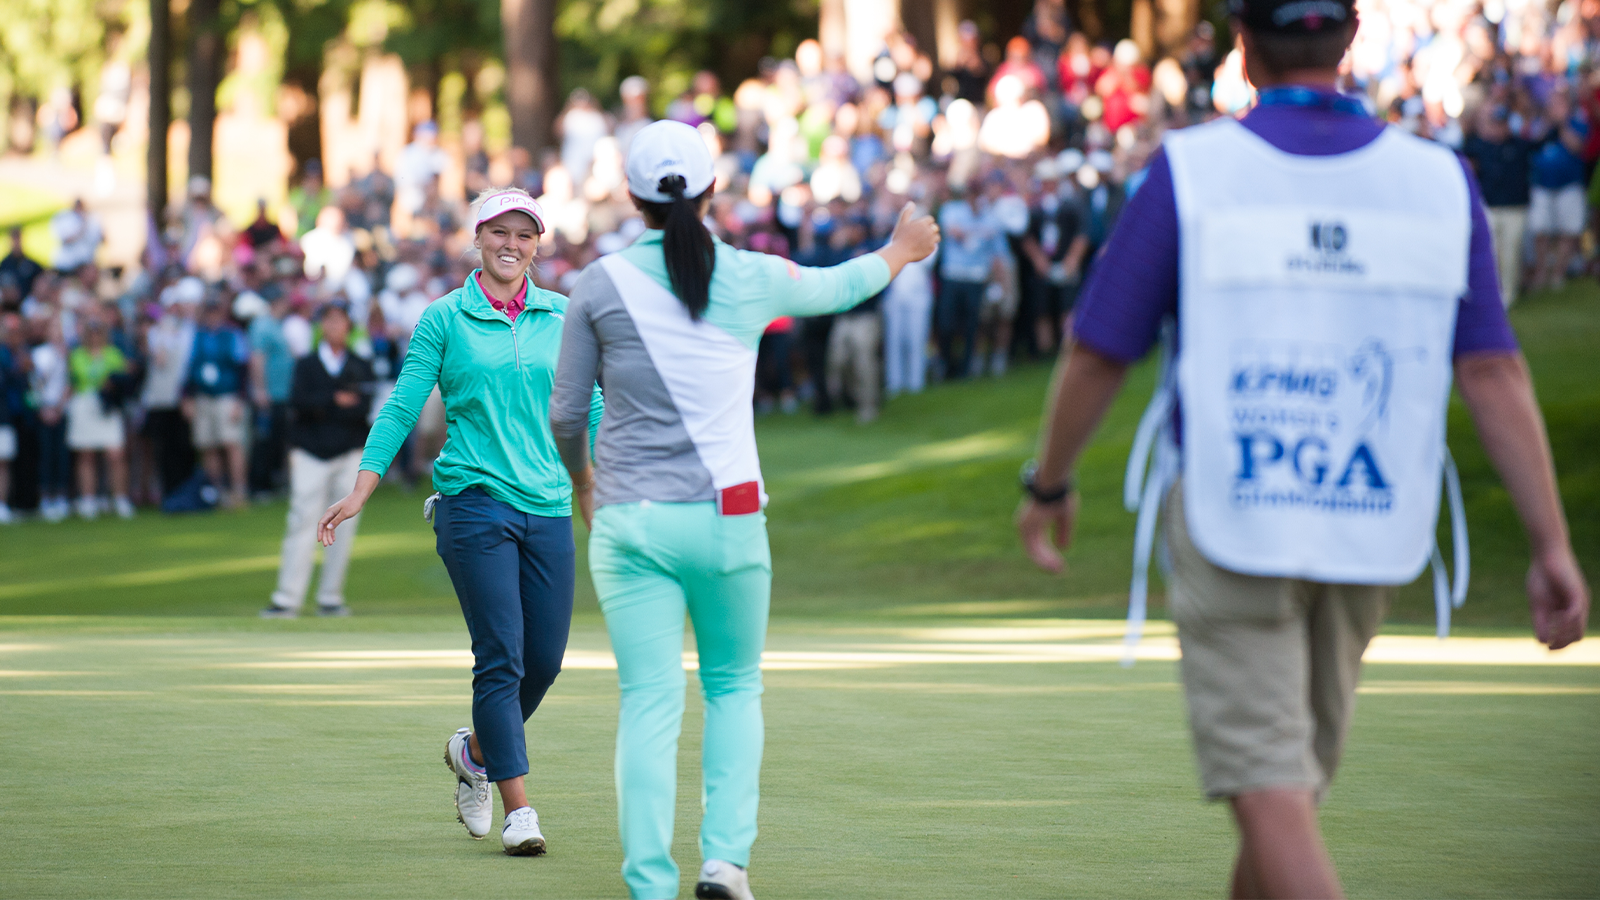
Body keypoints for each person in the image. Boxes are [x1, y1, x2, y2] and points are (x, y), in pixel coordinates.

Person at [1015, 2, 1591, 898]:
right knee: (1286, 793)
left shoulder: (1193, 171)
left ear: (1242, 46)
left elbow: (1097, 350)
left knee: (1274, 794)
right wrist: (1551, 545)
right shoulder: (1440, 179)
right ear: (1353, 40)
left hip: (1232, 508)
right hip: (1372, 520)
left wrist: (1048, 484)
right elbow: (1492, 374)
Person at [549, 120, 939, 900]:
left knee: (649, 703)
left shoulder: (595, 284)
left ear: (630, 197)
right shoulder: (751, 275)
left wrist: (584, 485)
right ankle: (725, 863)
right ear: (713, 190)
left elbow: (565, 416)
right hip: (729, 519)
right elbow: (838, 285)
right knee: (732, 688)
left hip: (629, 521)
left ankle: (650, 884)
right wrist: (899, 249)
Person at [315, 187, 603, 856]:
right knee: (500, 654)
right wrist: (362, 488)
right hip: (472, 502)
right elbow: (400, 408)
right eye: (498, 231)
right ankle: (519, 809)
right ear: (476, 238)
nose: (511, 244)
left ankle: (473, 752)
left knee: (545, 660)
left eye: (524, 234)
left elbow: (588, 409)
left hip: (549, 503)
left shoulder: (564, 315)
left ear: (538, 244)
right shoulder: (444, 318)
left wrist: (607, 486)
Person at [263, 302, 373, 618]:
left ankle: (330, 597)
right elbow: (299, 403)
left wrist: (328, 404)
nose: (335, 326)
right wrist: (334, 400)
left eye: (341, 321)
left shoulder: (359, 363)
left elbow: (362, 407)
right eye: (329, 321)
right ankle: (287, 598)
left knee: (344, 525)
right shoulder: (307, 364)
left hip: (349, 452)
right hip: (310, 452)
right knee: (301, 521)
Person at [1462, 103, 1532, 308]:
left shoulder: (1518, 145)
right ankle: (1493, 293)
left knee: (1511, 251)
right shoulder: (1479, 146)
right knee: (1492, 252)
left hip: (1515, 208)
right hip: (1489, 207)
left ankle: (1509, 294)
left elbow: (1541, 141)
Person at [183, 298, 250, 508]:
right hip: (204, 397)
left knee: (231, 443)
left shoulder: (232, 335)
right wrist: (187, 397)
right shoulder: (198, 335)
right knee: (208, 445)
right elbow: (190, 369)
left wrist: (241, 399)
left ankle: (239, 490)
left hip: (226, 395)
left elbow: (243, 369)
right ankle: (216, 492)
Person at [66, 314, 133, 519]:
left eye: (98, 333)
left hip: (108, 405)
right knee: (86, 454)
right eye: (91, 333)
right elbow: (79, 379)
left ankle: (120, 498)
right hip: (86, 402)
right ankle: (89, 500)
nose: (95, 337)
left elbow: (121, 377)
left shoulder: (112, 353)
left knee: (115, 453)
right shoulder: (77, 355)